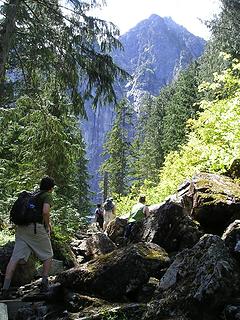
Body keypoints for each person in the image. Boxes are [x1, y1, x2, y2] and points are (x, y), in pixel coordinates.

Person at [0, 176, 55, 298]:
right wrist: (47, 226)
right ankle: (44, 285)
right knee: (48, 255)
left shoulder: (33, 195)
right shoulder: (46, 195)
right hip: (35, 228)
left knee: (14, 259)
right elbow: (45, 211)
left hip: (21, 229)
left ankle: (4, 290)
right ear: (51, 188)